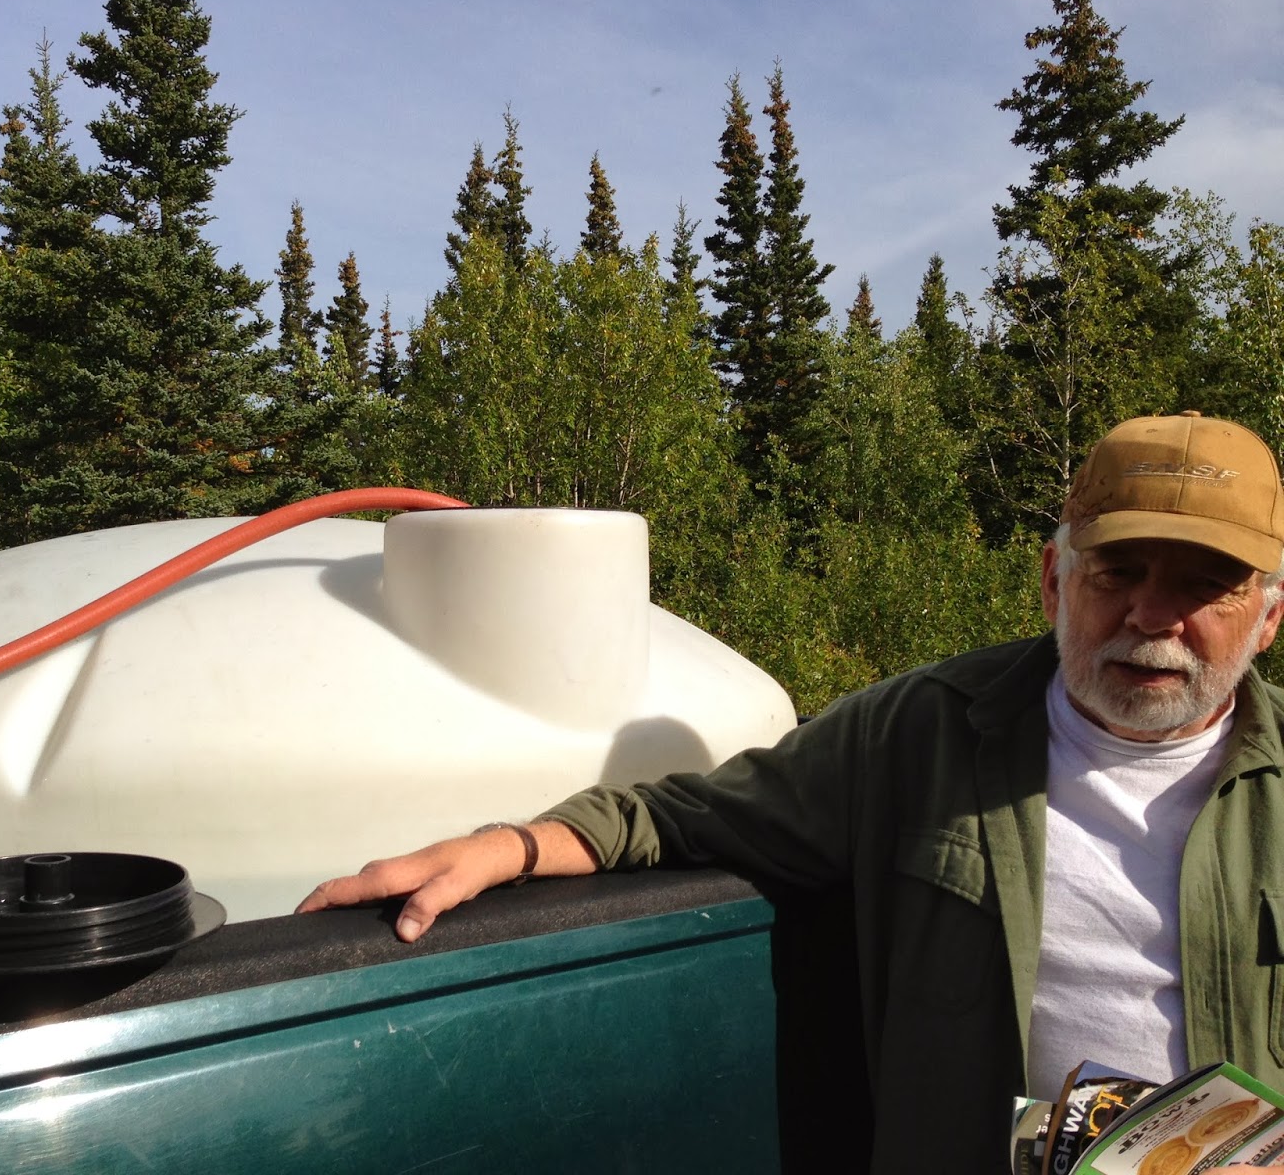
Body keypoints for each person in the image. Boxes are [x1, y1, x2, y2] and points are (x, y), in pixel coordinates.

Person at [297, 411, 1284, 1173]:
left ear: (1268, 618)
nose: (1152, 617)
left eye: (1208, 585)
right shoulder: (920, 734)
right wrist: (507, 848)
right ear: (1052, 580)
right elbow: (680, 813)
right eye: (1117, 571)